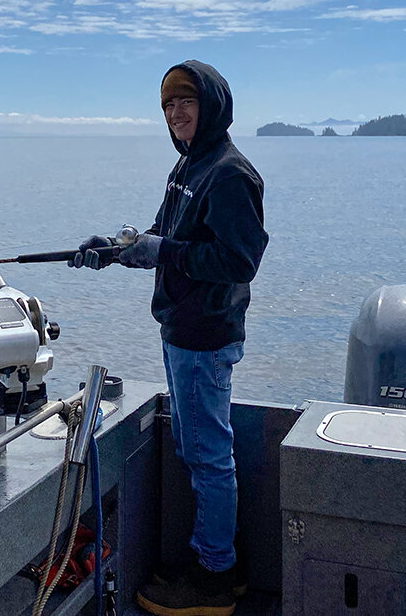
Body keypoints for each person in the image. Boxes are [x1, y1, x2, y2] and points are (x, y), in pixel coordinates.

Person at [73, 60, 267, 616]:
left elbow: (239, 260)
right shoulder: (188, 167)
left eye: (186, 102)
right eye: (167, 106)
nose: (176, 113)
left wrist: (164, 253)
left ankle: (213, 579)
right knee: (196, 450)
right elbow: (164, 238)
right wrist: (115, 248)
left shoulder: (229, 173)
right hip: (180, 330)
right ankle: (215, 562)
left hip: (205, 338)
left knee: (208, 458)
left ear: (212, 106)